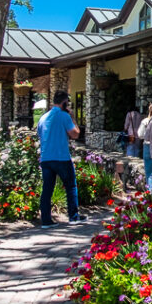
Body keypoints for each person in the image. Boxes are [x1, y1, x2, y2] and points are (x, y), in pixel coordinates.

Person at [37, 91, 84, 228]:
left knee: (47, 189)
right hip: (61, 157)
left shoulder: (43, 117)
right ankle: (74, 216)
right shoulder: (64, 116)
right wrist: (73, 118)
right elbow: (75, 134)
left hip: (46, 157)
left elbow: (39, 134)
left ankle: (46, 220)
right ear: (64, 103)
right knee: (70, 186)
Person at [138, 102, 152, 186]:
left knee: (149, 171)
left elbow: (140, 134)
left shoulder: (145, 121)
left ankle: (150, 191)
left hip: (148, 145)